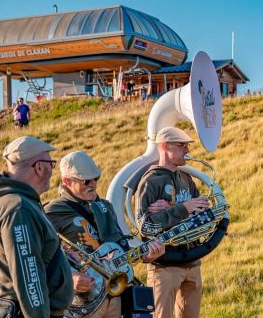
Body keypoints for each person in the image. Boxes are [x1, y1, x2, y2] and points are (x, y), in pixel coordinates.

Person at [45, 151, 166, 318]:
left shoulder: (105, 206)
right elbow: (44, 255)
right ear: (66, 181)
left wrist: (147, 255)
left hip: (114, 295)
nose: (93, 184)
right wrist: (70, 277)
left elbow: (121, 246)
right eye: (85, 180)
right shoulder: (52, 211)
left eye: (96, 178)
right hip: (82, 302)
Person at [0, 136, 74, 317]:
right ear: (39, 167)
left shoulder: (11, 202)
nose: (51, 169)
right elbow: (29, 278)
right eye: (51, 164)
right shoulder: (19, 209)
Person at [135, 126, 210, 318]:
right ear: (164, 147)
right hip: (164, 266)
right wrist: (183, 208)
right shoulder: (151, 181)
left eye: (187, 145)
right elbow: (145, 226)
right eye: (181, 145)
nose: (188, 150)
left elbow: (202, 215)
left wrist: (177, 209)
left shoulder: (186, 178)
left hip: (192, 262)